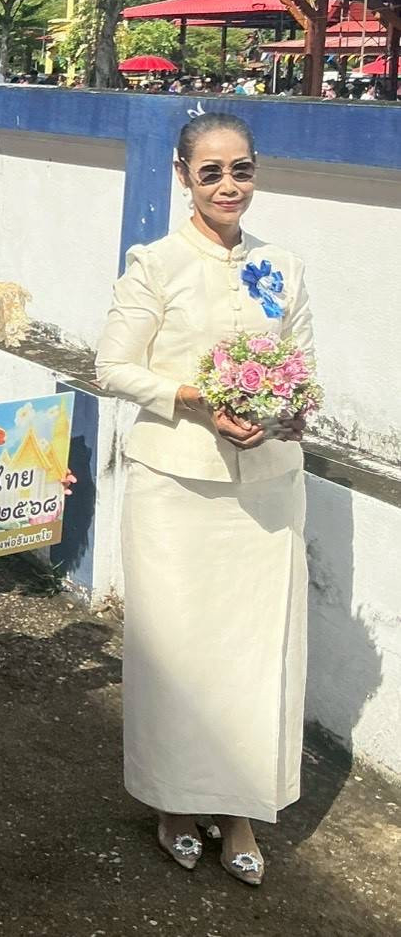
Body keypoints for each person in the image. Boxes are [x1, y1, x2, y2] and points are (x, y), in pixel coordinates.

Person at [95, 112, 313, 888]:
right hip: (175, 487)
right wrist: (195, 397)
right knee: (181, 653)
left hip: (266, 492)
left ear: (256, 170)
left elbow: (303, 368)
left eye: (241, 168)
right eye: (211, 170)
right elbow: (112, 366)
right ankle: (175, 802)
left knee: (253, 655)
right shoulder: (155, 264)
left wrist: (283, 410)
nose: (228, 184)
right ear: (183, 175)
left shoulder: (283, 265)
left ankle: (243, 809)